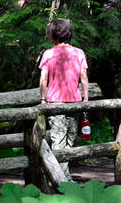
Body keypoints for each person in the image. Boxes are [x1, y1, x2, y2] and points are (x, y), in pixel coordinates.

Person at [38, 18, 89, 180]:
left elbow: (43, 79)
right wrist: (86, 99)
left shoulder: (48, 54)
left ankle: (61, 177)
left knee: (58, 140)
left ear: (53, 36)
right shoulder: (79, 53)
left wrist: (43, 99)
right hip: (74, 102)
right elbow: (84, 77)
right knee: (69, 139)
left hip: (55, 103)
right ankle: (63, 178)